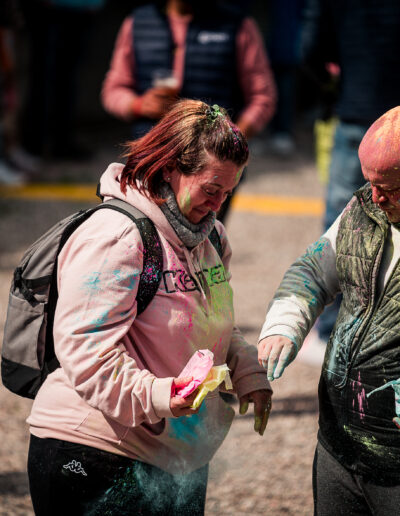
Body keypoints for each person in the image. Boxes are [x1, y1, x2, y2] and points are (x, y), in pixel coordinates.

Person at [26, 99, 272, 515]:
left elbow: (212, 322)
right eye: (211, 189)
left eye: (229, 192)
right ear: (170, 168)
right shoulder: (116, 237)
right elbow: (85, 351)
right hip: (93, 450)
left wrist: (246, 369)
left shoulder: (210, 237)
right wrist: (159, 394)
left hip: (173, 457)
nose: (218, 204)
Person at [258, 105, 400, 514]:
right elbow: (313, 271)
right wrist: (284, 325)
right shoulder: (363, 210)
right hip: (338, 444)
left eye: (389, 187)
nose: (375, 196)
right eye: (370, 182)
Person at [101, 0, 276, 222]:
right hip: (150, 162)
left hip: (212, 168)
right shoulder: (137, 22)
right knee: (146, 234)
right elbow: (113, 89)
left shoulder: (237, 24)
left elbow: (263, 96)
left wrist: (230, 142)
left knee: (204, 236)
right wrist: (138, 104)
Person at [300, 0, 400, 350]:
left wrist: (333, 86)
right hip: (384, 110)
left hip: (357, 109)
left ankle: (333, 330)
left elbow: (310, 48)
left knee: (343, 223)